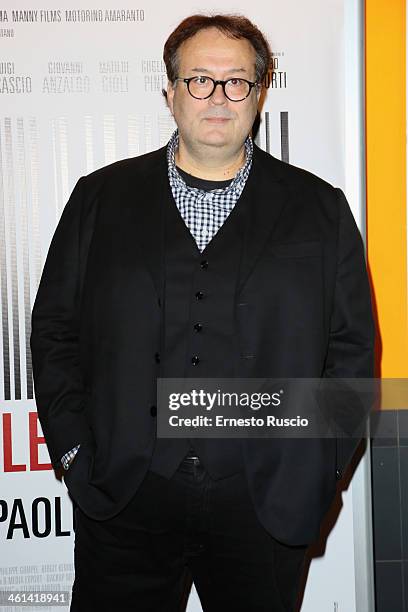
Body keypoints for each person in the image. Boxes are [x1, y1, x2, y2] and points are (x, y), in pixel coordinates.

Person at [30, 13, 375, 612]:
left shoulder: (320, 210)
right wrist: (75, 454)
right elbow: (55, 331)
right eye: (199, 80)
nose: (218, 96)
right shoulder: (100, 198)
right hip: (122, 497)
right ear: (170, 93)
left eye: (236, 81)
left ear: (259, 92)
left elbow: (353, 351)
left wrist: (317, 468)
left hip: (265, 502)